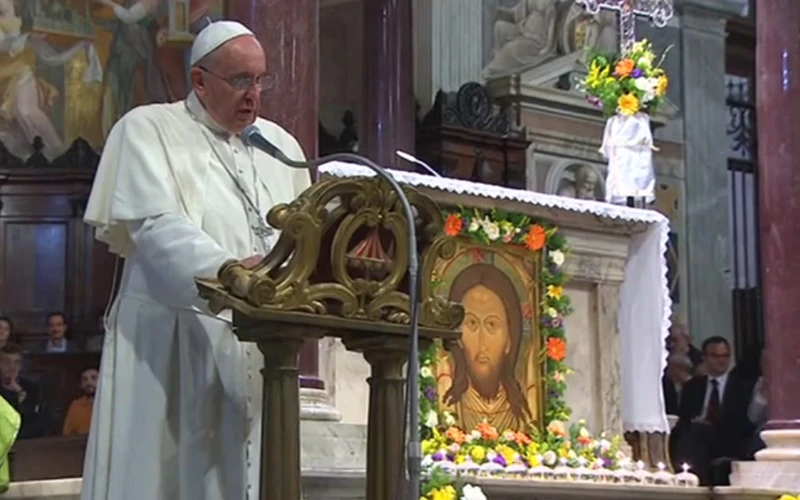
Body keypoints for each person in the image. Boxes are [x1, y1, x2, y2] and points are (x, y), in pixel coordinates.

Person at [80, 20, 311, 500]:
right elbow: (156, 226)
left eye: (261, 80)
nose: (254, 96)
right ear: (200, 81)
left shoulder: (280, 145)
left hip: (259, 342)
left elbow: (303, 233)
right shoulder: (148, 129)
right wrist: (230, 271)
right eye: (240, 80)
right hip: (171, 338)